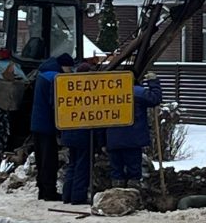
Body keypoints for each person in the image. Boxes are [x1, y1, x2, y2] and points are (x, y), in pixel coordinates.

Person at [105, 74, 162, 188]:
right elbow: (155, 99)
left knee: (116, 172)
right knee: (134, 171)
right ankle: (132, 195)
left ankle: (115, 197)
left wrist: (102, 140)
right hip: (133, 139)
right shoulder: (138, 92)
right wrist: (153, 82)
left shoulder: (107, 93)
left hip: (113, 139)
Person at [31, 52, 74, 200]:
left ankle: (42, 189)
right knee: (50, 160)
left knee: (41, 159)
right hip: (47, 124)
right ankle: (49, 192)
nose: (71, 72)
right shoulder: (55, 79)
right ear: (65, 66)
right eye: (70, 68)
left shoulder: (43, 73)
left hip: (37, 123)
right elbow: (55, 104)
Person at [60, 61, 102, 205]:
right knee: (82, 166)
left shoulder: (69, 88)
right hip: (84, 135)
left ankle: (67, 195)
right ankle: (78, 197)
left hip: (69, 134)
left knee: (72, 164)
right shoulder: (91, 92)